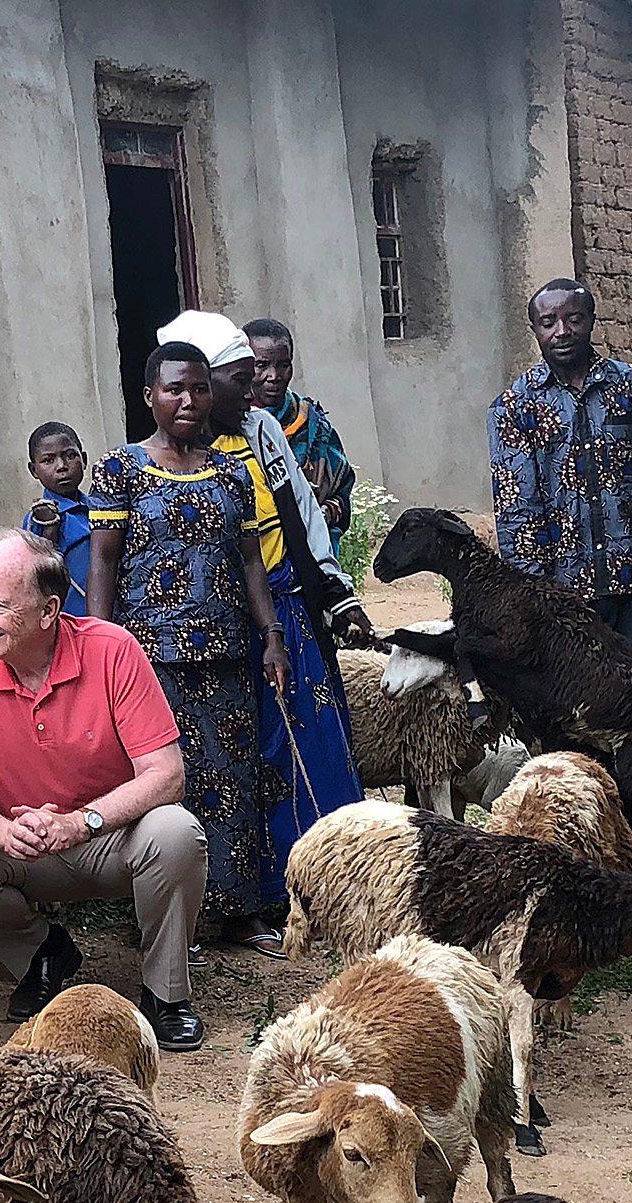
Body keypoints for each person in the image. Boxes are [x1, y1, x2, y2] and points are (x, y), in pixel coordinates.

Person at [0, 532, 207, 1049]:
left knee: (175, 832)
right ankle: (42, 953)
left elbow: (166, 774)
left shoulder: (112, 650)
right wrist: (6, 831)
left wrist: (80, 823)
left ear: (49, 610)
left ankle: (166, 993)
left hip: (109, 836)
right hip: (24, 842)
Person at [86, 341, 288, 953]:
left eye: (199, 388)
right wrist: (98, 649)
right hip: (148, 658)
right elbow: (102, 563)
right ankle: (170, 915)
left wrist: (271, 635)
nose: (188, 400)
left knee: (235, 781)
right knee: (160, 785)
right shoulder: (119, 469)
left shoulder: (233, 468)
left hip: (227, 653)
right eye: (174, 388)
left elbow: (251, 560)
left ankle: (241, 912)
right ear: (150, 395)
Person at [175, 307, 374, 925]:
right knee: (241, 759)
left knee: (312, 747)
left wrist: (333, 594)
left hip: (284, 613)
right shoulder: (174, 451)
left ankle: (335, 880)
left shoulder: (261, 431)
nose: (258, 385)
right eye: (241, 376)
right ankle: (254, 893)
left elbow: (300, 515)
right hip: (217, 630)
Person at [489, 277, 632, 675]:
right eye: (548, 322)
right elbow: (515, 508)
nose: (562, 331)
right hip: (566, 593)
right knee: (585, 709)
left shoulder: (630, 385)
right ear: (535, 329)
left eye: (574, 319)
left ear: (592, 321)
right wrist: (536, 593)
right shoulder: (515, 406)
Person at [243, 316, 355, 536]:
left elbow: (341, 490)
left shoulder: (314, 427)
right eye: (261, 365)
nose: (274, 376)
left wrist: (323, 513)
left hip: (314, 550)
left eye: (283, 365)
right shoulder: (229, 428)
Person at [24, 420, 93, 615]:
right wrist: (50, 528)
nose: (62, 466)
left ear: (84, 459)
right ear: (34, 470)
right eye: (48, 460)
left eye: (70, 456)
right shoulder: (38, 519)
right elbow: (40, 574)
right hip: (70, 618)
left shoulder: (100, 507)